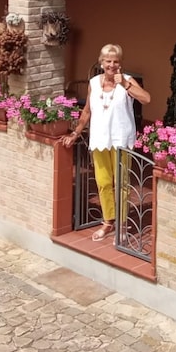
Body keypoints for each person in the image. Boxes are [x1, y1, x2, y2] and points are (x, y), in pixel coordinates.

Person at [61, 44, 150, 241]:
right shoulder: (93, 82)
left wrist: (126, 86)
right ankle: (108, 222)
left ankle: (123, 225)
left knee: (121, 184)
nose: (112, 65)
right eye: (108, 61)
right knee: (103, 183)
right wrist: (76, 132)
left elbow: (146, 99)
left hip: (120, 140)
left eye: (116, 61)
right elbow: (87, 111)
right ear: (101, 63)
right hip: (100, 140)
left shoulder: (127, 81)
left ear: (121, 63)